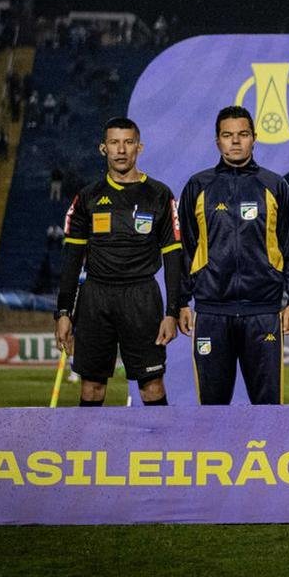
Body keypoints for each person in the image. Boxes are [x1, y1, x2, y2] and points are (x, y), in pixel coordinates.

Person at [177, 106, 289, 405]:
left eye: (243, 134)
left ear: (254, 138)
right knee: (211, 411)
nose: (235, 141)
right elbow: (185, 249)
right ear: (217, 141)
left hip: (263, 313)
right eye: (228, 135)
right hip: (212, 313)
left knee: (268, 411)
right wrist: (181, 302)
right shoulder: (198, 186)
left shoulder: (275, 185)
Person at [55, 117, 183, 406]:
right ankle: (89, 439)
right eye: (114, 142)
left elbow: (174, 257)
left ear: (139, 147)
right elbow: (72, 261)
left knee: (152, 386)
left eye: (128, 142)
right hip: (95, 298)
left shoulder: (159, 195)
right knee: (91, 388)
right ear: (103, 148)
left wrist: (172, 311)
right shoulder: (87, 197)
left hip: (142, 297)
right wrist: (63, 312)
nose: (121, 150)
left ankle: (160, 438)